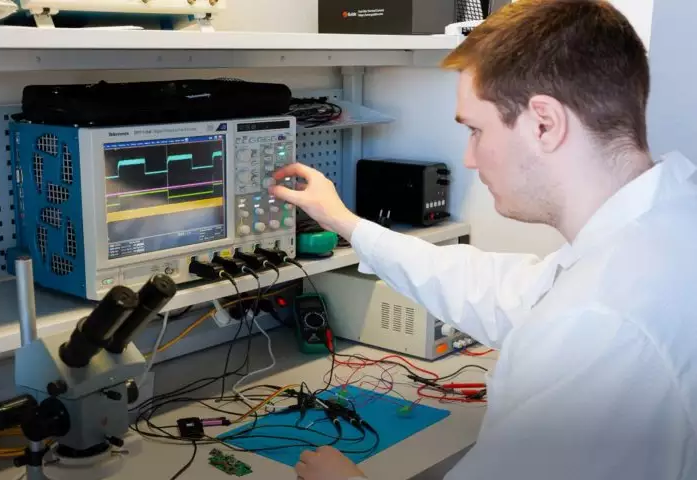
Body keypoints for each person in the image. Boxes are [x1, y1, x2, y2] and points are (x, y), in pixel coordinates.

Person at [270, 1, 697, 479]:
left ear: (544, 124)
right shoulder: (666, 222)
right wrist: (346, 223)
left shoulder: (600, 323)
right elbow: (502, 291)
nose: (469, 159)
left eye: (476, 130)